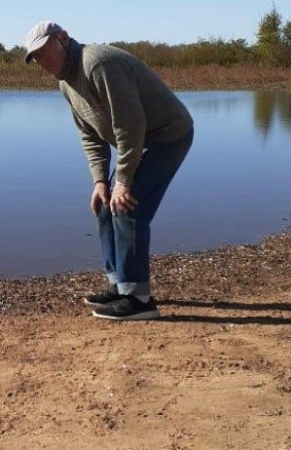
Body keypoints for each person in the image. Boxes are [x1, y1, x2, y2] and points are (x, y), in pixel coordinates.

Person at [24, 21, 194, 320]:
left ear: (62, 39)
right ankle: (119, 285)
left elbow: (130, 125)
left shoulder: (98, 63)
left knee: (128, 206)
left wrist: (123, 182)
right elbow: (90, 135)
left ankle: (139, 301)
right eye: (35, 56)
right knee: (105, 204)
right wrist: (100, 181)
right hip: (140, 142)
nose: (41, 60)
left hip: (168, 136)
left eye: (44, 50)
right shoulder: (65, 82)